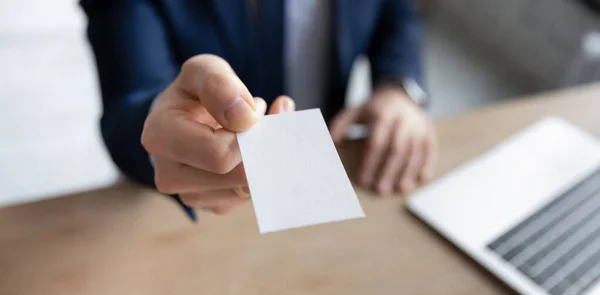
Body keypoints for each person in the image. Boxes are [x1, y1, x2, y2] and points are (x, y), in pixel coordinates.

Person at [80, 0, 437, 216]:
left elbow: (397, 11)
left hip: (332, 176)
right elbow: (128, 102)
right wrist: (164, 141)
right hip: (191, 208)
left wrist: (399, 86)